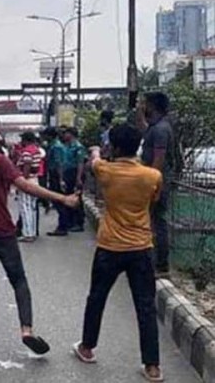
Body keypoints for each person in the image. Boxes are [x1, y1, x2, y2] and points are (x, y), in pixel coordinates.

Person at [0, 116, 80, 356]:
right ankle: (27, 330)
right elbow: (27, 186)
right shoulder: (0, 161)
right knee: (19, 281)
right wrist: (62, 199)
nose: (0, 137)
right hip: (3, 233)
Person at [72, 124, 164, 382]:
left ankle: (87, 348)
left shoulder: (105, 170)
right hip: (141, 247)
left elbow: (94, 161)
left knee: (97, 298)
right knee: (145, 306)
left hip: (110, 246)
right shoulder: (152, 176)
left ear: (114, 147)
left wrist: (95, 151)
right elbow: (153, 201)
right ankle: (152, 366)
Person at [139, 92, 175, 276]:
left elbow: (159, 159)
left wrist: (152, 184)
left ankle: (161, 264)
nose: (143, 106)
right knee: (151, 220)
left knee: (158, 222)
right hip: (155, 180)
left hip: (158, 182)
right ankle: (153, 261)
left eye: (145, 104)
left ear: (152, 106)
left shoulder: (161, 129)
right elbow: (144, 129)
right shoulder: (155, 127)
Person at [48, 127, 87, 235]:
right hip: (68, 173)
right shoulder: (66, 146)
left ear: (71, 134)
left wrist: (78, 178)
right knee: (69, 196)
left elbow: (80, 163)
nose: (64, 135)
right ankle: (70, 221)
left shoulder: (78, 147)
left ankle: (79, 223)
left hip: (75, 173)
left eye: (66, 133)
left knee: (76, 197)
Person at [16, 132, 44, 242]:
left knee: (25, 208)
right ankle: (32, 232)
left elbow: (26, 167)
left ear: (26, 140)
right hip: (34, 180)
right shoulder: (36, 150)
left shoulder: (27, 151)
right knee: (32, 208)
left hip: (27, 181)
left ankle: (28, 234)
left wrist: (22, 180)